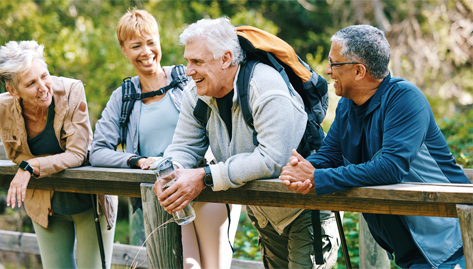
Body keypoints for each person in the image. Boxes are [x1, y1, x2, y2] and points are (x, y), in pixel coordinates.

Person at [153, 17, 339, 269]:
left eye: (197, 62)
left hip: (305, 210)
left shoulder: (265, 86)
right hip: (266, 214)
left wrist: (204, 177)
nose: (188, 71)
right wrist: (172, 170)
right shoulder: (195, 94)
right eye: (188, 61)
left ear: (226, 59)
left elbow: (274, 160)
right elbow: (185, 146)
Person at [280, 25, 470, 269]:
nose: (327, 71)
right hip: (412, 250)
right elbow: (330, 154)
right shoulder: (347, 106)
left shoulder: (405, 99)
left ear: (359, 71)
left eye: (333, 63)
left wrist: (317, 177)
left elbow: (390, 167)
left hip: (452, 244)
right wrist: (301, 169)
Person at [89, 9, 241, 269]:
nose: (146, 51)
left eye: (151, 42)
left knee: (215, 266)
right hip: (165, 198)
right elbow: (97, 151)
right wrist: (136, 161)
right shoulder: (122, 97)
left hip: (206, 184)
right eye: (136, 45)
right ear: (124, 50)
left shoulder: (190, 80)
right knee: (186, 266)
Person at [0, 40, 117, 269]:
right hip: (44, 205)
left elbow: (77, 153)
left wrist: (30, 167)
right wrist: (26, 165)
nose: (43, 87)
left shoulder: (72, 91)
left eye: (44, 75)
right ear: (13, 90)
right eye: (30, 83)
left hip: (90, 203)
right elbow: (14, 155)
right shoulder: (1, 107)